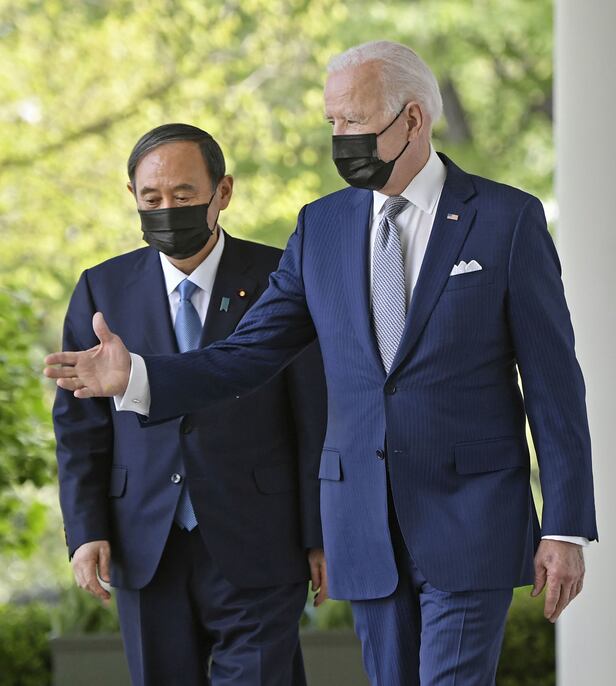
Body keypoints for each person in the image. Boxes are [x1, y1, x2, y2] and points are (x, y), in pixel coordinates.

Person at [46, 42, 598, 685]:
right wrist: (139, 378)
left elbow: (554, 383)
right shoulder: (321, 227)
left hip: (471, 516)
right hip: (362, 523)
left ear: (412, 119)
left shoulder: (506, 219)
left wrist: (565, 525)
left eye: (353, 121)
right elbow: (248, 354)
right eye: (332, 122)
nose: (340, 138)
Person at [51, 123, 328, 686]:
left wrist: (320, 534)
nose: (166, 210)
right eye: (151, 198)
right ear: (133, 197)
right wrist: (86, 530)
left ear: (222, 192)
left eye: (182, 195)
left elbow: (314, 418)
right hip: (144, 543)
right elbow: (80, 429)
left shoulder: (282, 279)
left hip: (260, 538)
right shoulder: (101, 289)